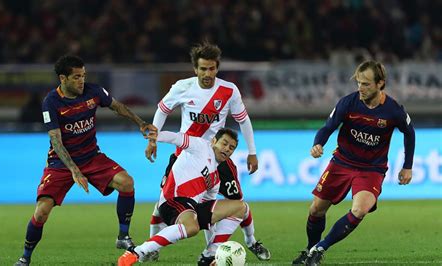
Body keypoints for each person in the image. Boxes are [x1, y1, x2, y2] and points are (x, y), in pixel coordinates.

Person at [14, 55, 157, 266]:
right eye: (76, 77)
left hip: (91, 156)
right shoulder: (51, 102)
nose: (82, 80)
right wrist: (74, 170)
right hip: (61, 163)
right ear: (63, 78)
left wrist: (140, 123)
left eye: (83, 75)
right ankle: (25, 258)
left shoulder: (93, 91)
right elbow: (56, 141)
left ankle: (122, 237)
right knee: (42, 210)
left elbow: (117, 106)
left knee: (127, 182)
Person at [145, 42, 270, 264]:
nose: (207, 73)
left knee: (236, 204)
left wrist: (252, 152)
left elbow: (244, 120)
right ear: (195, 69)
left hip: (219, 157)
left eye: (211, 68)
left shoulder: (228, 90)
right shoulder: (182, 87)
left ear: (217, 68)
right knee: (164, 201)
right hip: (186, 157)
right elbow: (162, 110)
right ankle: (152, 245)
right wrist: (153, 140)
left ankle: (246, 243)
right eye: (203, 69)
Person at [291, 60, 415, 266]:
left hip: (372, 169)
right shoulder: (348, 103)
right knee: (316, 210)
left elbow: (409, 134)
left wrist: (407, 166)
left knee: (360, 209)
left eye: (366, 84)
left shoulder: (393, 110)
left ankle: (320, 248)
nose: (360, 88)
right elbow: (328, 127)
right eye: (358, 82)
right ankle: (309, 250)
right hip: (342, 162)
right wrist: (318, 144)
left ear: (380, 84)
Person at [119, 128, 247, 266]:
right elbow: (177, 138)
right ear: (214, 141)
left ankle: (209, 256)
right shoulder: (201, 146)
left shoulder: (216, 179)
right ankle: (137, 251)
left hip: (190, 207)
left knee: (240, 207)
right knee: (191, 227)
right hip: (172, 200)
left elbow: (210, 213)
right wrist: (157, 137)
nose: (227, 149)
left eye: (231, 147)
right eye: (224, 143)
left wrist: (212, 249)